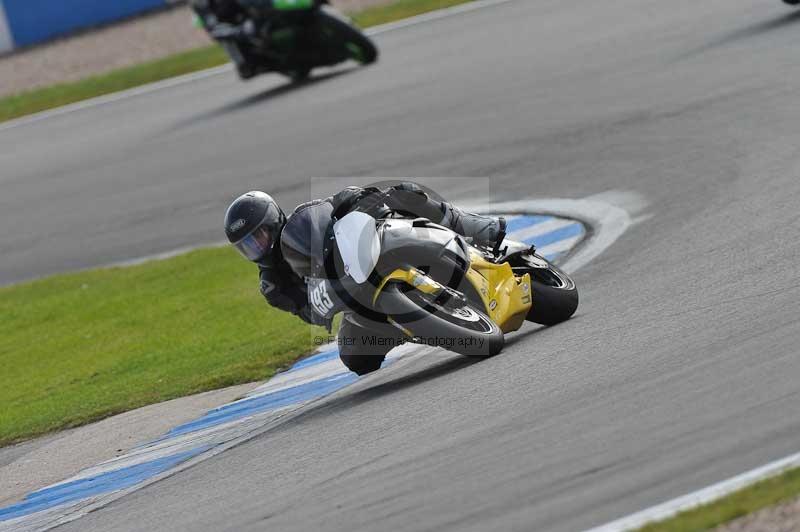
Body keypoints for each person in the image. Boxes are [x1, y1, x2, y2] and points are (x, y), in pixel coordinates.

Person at [224, 183, 506, 375]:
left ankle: (474, 226)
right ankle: (408, 325)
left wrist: (357, 199)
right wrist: (319, 298)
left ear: (274, 221)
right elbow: (309, 313)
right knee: (356, 359)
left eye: (259, 237)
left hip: (374, 250)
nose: (257, 248)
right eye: (247, 246)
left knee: (405, 192)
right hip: (353, 298)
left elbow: (340, 201)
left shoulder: (304, 220)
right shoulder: (273, 285)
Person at [191, 0, 260, 79]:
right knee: (226, 37)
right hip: (227, 27)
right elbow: (212, 26)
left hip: (243, 18)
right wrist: (236, 31)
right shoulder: (201, 4)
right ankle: (242, 65)